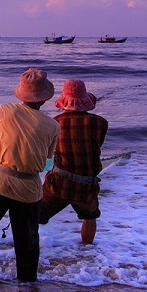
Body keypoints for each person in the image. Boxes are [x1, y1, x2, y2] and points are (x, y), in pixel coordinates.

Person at [0, 67, 59, 283]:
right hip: (29, 188)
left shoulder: (4, 110)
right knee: (27, 239)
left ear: (22, 93)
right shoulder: (53, 126)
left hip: (0, 181)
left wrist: (0, 138)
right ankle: (27, 284)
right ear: (45, 98)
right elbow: (46, 155)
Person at [39, 79, 108, 244]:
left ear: (64, 101)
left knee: (35, 215)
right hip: (87, 185)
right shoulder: (100, 123)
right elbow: (96, 145)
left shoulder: (55, 123)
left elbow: (50, 151)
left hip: (59, 184)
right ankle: (87, 249)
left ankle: (29, 248)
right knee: (90, 217)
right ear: (85, 101)